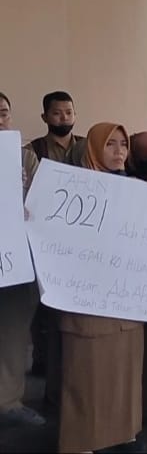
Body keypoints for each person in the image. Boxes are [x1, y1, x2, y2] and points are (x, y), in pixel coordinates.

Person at [56, 122, 145, 453]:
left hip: (127, 299)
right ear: (92, 148)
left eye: (123, 144)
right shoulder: (69, 191)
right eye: (110, 144)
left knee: (123, 369)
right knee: (87, 372)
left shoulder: (137, 189)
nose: (120, 151)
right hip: (87, 299)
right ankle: (80, 441)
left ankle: (121, 432)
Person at [28, 91, 83, 387]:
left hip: (82, 237)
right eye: (57, 113)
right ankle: (43, 357)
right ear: (45, 117)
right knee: (44, 299)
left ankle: (71, 354)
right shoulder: (32, 150)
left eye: (69, 112)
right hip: (46, 237)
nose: (64, 118)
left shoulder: (89, 147)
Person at [0, 92, 45, 427]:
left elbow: (41, 203)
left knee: (13, 331)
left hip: (15, 260)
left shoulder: (25, 158)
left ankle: (8, 400)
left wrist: (28, 200)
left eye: (3, 114)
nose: (0, 121)